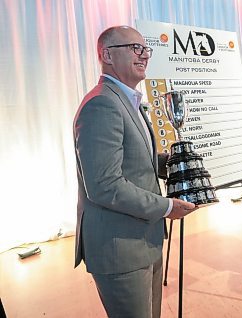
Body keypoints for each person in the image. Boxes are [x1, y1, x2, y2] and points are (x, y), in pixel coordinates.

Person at [73, 25, 197, 318]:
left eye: (145, 49)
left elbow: (135, 161)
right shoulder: (102, 104)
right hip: (120, 250)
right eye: (134, 48)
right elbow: (105, 185)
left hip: (143, 239)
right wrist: (167, 207)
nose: (143, 55)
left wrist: (179, 164)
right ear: (107, 55)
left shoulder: (126, 100)